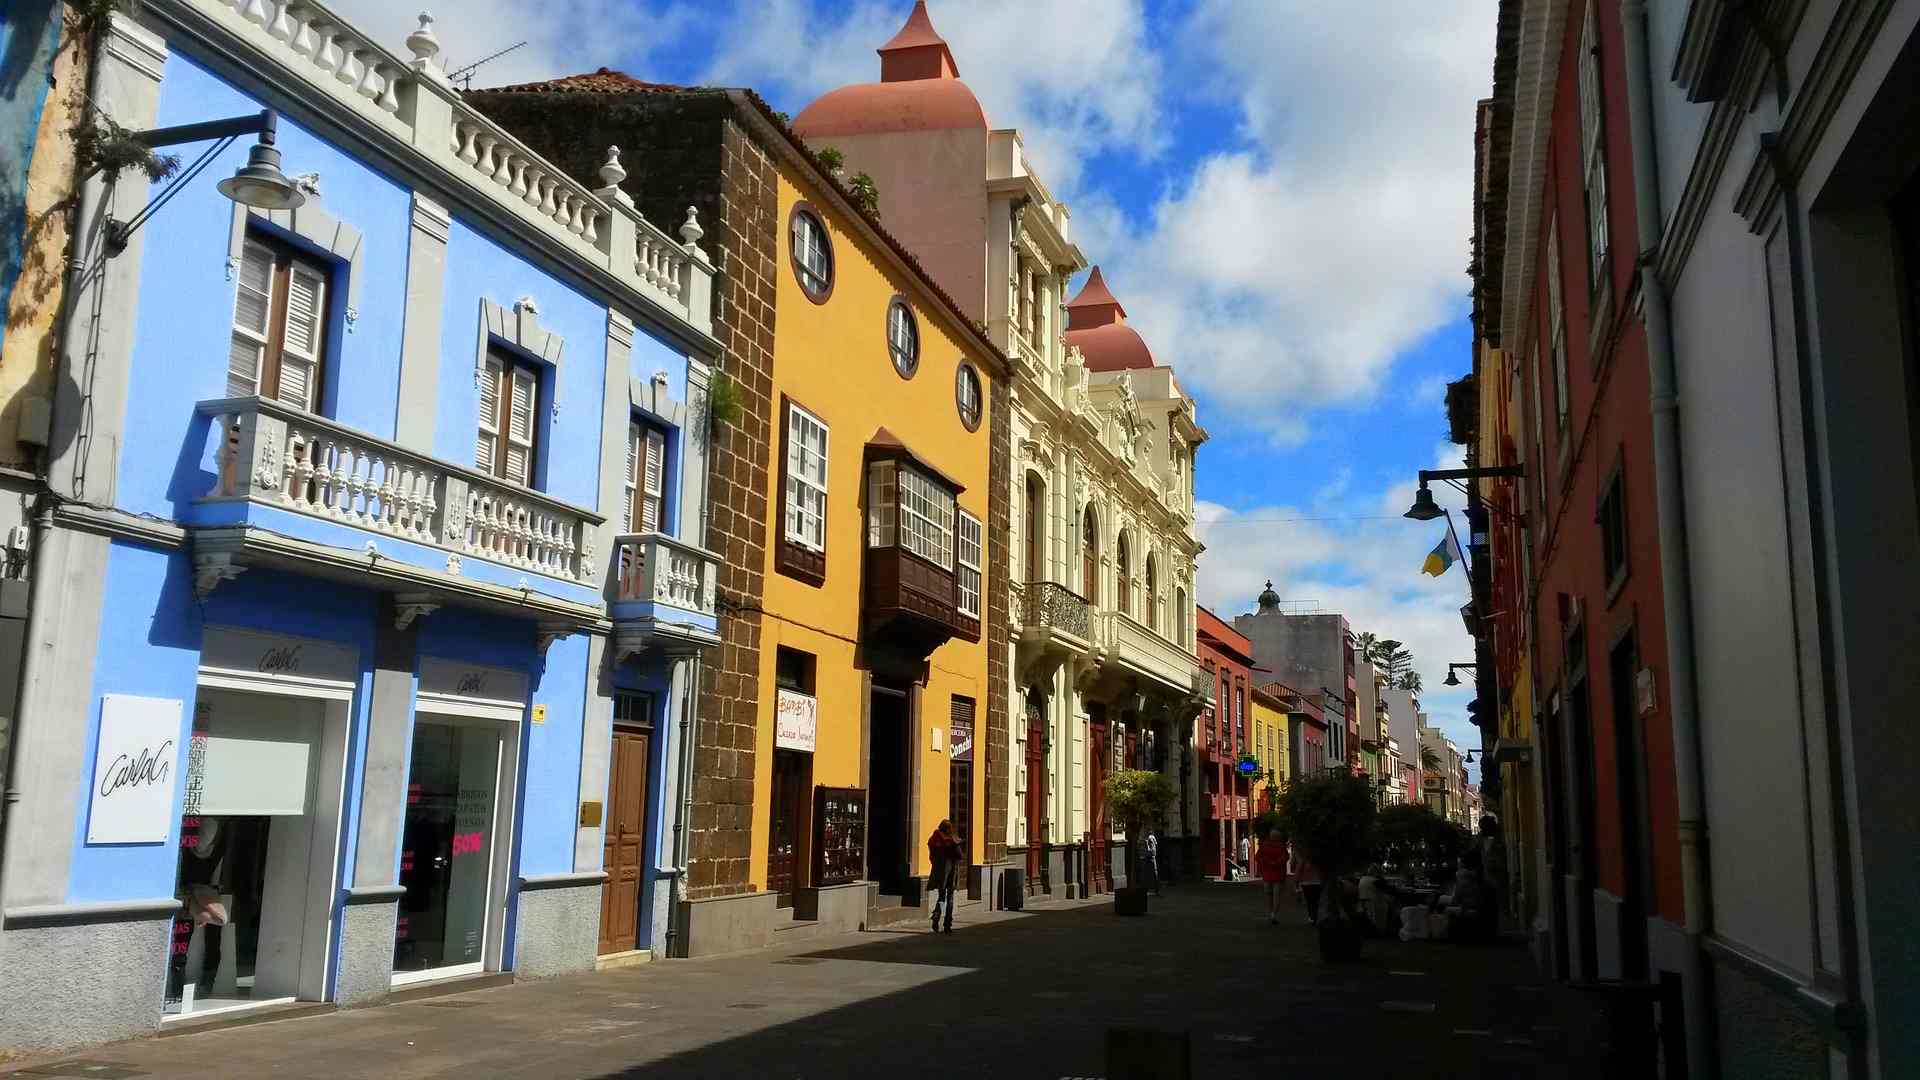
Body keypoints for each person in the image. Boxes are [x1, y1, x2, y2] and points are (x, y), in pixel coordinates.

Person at [927, 820, 962, 934]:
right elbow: (959, 855)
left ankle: (936, 917)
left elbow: (931, 856)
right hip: (951, 872)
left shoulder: (934, 839)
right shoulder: (952, 839)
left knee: (941, 898)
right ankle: (947, 924)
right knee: (950, 898)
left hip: (940, 872)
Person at [1255, 830, 1289, 923]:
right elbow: (1285, 857)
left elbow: (1258, 857)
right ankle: (1273, 914)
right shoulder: (1281, 846)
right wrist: (1276, 863)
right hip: (1278, 874)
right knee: (1276, 895)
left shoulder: (1264, 846)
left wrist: (1266, 862)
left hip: (1267, 874)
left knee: (1268, 895)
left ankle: (1270, 913)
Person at [1288, 845, 1324, 924]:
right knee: (1316, 900)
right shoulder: (1320, 851)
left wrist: (1296, 879)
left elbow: (1298, 865)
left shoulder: (1302, 852)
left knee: (1310, 900)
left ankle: (1312, 916)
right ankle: (1315, 916)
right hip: (1318, 879)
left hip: (1307, 880)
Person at [1141, 830, 1162, 895]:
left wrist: (1147, 844)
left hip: (1149, 857)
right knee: (1154, 873)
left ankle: (1153, 889)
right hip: (1152, 857)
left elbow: (1149, 849)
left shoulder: (1149, 838)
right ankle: (1156, 889)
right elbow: (1155, 846)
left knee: (1147, 873)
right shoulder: (1152, 837)